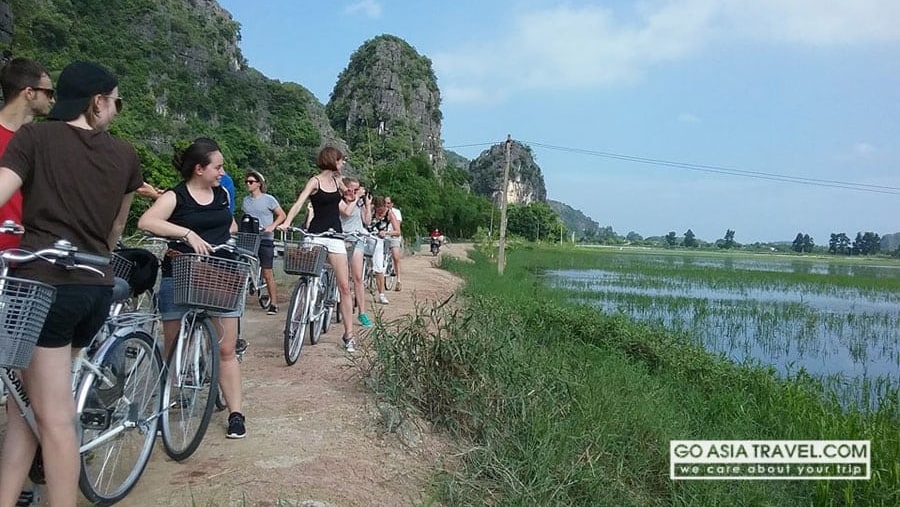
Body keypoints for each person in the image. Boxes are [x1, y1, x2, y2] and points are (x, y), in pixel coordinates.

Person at [0, 61, 141, 507]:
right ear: (97, 101)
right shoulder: (125, 156)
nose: (116, 110)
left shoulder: (35, 138)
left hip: (43, 288)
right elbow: (116, 228)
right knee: (26, 409)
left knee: (55, 419)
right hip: (95, 287)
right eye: (116, 101)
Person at [137, 137, 247, 439]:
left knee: (226, 348)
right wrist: (186, 234)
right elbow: (147, 222)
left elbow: (230, 226)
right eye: (218, 167)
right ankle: (162, 406)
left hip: (220, 275)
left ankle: (236, 413)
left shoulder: (222, 194)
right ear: (199, 169)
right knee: (172, 349)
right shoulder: (176, 196)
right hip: (181, 274)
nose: (222, 172)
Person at [280, 147, 356, 351]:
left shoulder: (337, 183)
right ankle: (299, 315)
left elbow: (344, 205)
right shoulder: (315, 182)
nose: (343, 164)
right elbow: (299, 203)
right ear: (333, 161)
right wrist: (287, 222)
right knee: (306, 277)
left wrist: (351, 194)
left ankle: (348, 335)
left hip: (335, 237)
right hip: (315, 235)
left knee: (344, 286)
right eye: (341, 160)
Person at [0, 57, 55, 252]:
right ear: (29, 92)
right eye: (48, 93)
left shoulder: (42, 142)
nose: (52, 99)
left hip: (31, 255)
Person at [242, 170, 286, 315]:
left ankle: (274, 303)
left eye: (251, 182)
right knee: (242, 265)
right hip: (250, 237)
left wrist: (272, 227)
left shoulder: (268, 199)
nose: (248, 184)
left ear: (259, 184)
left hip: (265, 238)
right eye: (246, 182)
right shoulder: (246, 200)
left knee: (267, 271)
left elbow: (281, 215)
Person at [339, 177, 372, 327]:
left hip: (356, 239)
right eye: (353, 189)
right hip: (340, 238)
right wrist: (355, 199)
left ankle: (362, 312)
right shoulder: (338, 201)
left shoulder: (359, 202)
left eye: (358, 189)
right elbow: (346, 213)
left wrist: (367, 204)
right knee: (341, 277)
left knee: (357, 277)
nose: (355, 192)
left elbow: (367, 221)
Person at [368, 196, 401, 305]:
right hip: (366, 237)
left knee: (379, 267)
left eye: (382, 209)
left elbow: (397, 231)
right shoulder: (370, 210)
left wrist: (386, 233)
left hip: (379, 239)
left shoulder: (389, 214)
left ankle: (381, 294)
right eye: (378, 209)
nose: (380, 212)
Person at [385, 196, 403, 291]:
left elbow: (397, 227)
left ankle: (398, 280)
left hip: (393, 236)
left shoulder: (396, 212)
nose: (386, 205)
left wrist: (391, 233)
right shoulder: (380, 211)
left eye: (388, 203)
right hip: (383, 236)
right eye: (385, 203)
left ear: (392, 204)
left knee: (396, 257)